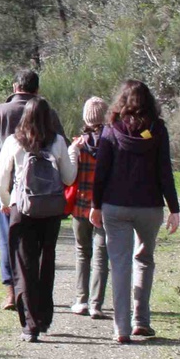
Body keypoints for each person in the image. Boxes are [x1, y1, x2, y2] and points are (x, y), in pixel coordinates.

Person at [88, 80, 180, 343]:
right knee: (144, 260)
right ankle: (141, 320)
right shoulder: (158, 130)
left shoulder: (110, 131)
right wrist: (174, 208)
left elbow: (101, 173)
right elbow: (165, 171)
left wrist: (95, 205)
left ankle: (121, 329)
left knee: (119, 265)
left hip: (115, 207)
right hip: (150, 207)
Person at [0, 70, 65, 310]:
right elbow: (61, 143)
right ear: (37, 90)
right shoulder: (48, 113)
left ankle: (11, 292)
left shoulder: (0, 112)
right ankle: (33, 291)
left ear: (15, 87)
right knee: (40, 241)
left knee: (9, 238)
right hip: (42, 188)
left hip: (9, 186)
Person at [0, 97, 76, 341]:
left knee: (24, 266)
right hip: (50, 211)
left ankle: (30, 325)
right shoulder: (58, 141)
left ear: (25, 117)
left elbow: (1, 180)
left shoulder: (13, 142)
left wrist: (7, 203)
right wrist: (73, 154)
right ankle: (44, 317)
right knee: (45, 262)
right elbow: (69, 179)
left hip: (22, 210)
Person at [67, 96, 109, 318]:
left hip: (81, 206)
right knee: (102, 256)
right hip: (104, 207)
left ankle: (81, 301)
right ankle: (96, 304)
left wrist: (72, 151)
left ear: (86, 117)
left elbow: (69, 175)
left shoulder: (78, 144)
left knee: (83, 252)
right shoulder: (113, 142)